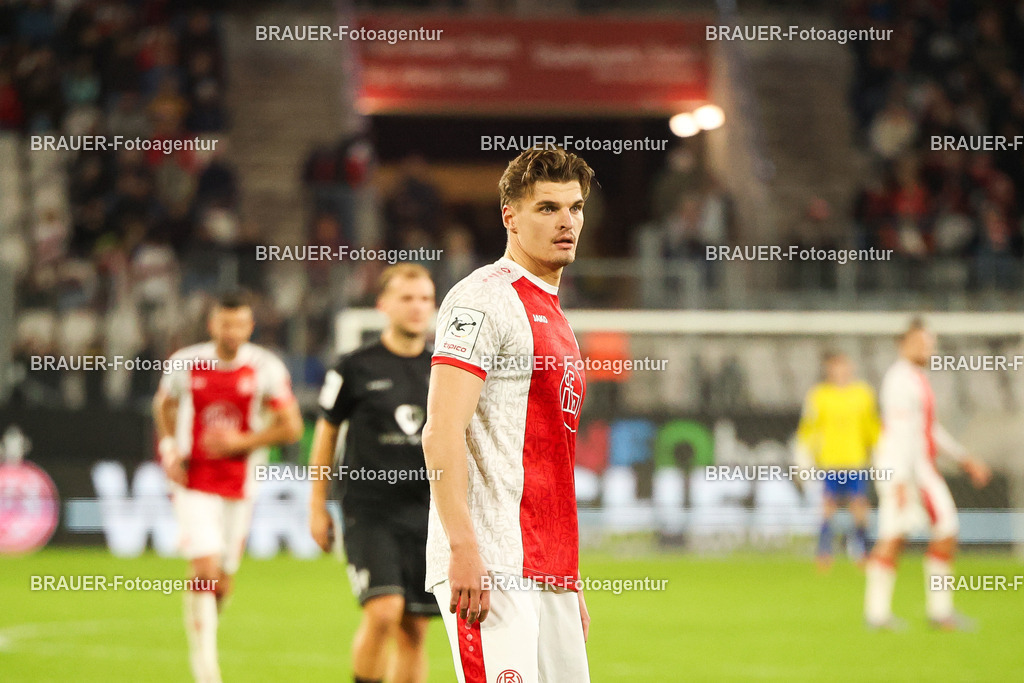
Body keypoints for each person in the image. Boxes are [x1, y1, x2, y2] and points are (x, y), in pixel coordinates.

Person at [422, 146, 594, 682]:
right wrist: (463, 549)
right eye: (547, 208)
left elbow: (550, 459)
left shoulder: (554, 313)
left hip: (550, 568)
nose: (567, 221)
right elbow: (441, 431)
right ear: (510, 217)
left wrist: (569, 576)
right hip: (492, 560)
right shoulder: (482, 300)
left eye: (576, 207)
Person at [153, 289, 303, 682]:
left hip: (241, 484)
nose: (231, 330)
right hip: (194, 478)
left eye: (239, 323)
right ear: (212, 324)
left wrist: (241, 442)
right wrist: (170, 448)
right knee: (203, 565)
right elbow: (164, 405)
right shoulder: (185, 362)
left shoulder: (266, 367)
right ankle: (206, 671)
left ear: (250, 326)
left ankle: (205, 628)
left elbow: (292, 426)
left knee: (221, 580)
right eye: (224, 322)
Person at [309, 263, 439, 683]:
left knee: (415, 629)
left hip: (425, 512)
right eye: (407, 298)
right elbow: (326, 436)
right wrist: (317, 507)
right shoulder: (354, 367)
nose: (417, 307)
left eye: (424, 299)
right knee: (384, 611)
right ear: (383, 305)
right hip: (370, 510)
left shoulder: (443, 369)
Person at [864, 318, 992, 630]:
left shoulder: (915, 378)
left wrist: (964, 458)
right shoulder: (899, 381)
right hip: (905, 469)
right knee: (894, 536)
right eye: (922, 342)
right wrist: (899, 480)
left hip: (920, 469)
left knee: (942, 530)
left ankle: (937, 611)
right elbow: (898, 434)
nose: (928, 348)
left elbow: (927, 429)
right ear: (903, 344)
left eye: (930, 342)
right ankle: (879, 614)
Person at [795, 351, 881, 569]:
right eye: (835, 368)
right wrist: (804, 458)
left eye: (843, 367)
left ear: (850, 368)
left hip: (856, 460)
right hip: (829, 461)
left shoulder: (863, 393)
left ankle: (862, 550)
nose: (840, 372)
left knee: (859, 506)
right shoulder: (819, 395)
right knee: (827, 506)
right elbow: (809, 428)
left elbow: (872, 426)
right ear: (828, 371)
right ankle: (824, 553)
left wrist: (881, 451)